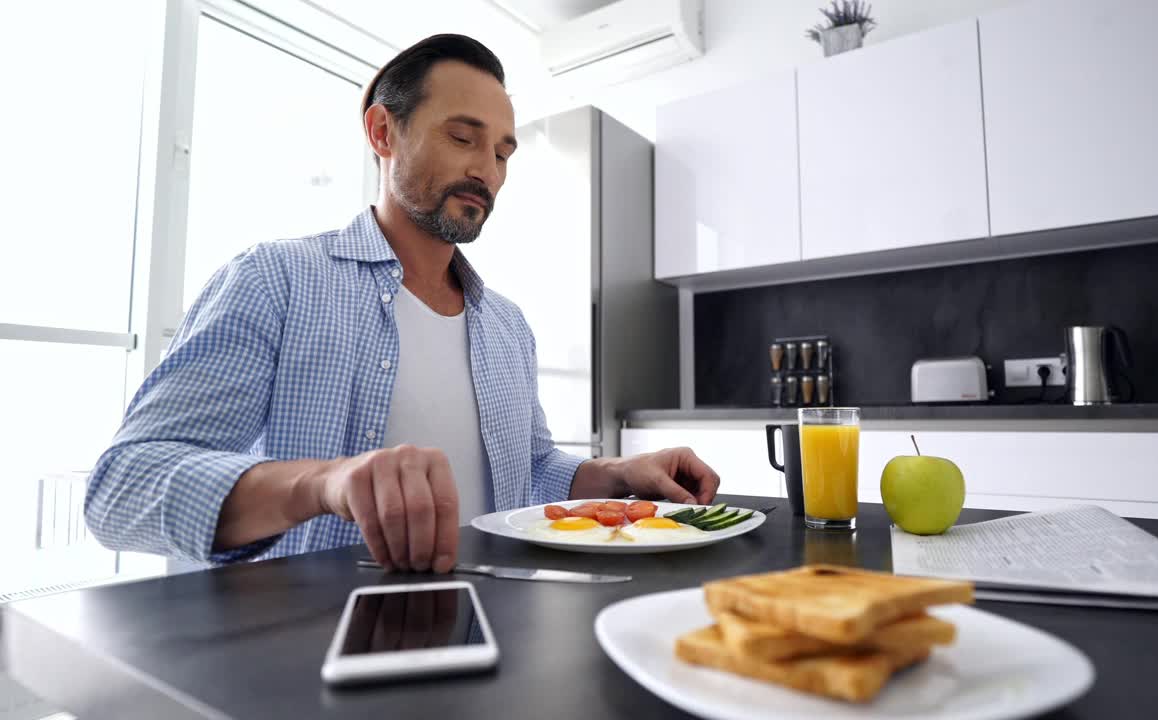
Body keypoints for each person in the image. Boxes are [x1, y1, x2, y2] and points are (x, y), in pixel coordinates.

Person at [85, 34, 719, 573]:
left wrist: (617, 474)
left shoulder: (506, 325)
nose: (488, 171)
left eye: (502, 152)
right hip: (312, 654)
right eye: (463, 138)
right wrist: (323, 483)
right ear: (383, 131)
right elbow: (121, 490)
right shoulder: (277, 280)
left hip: (490, 630)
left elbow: (531, 467)